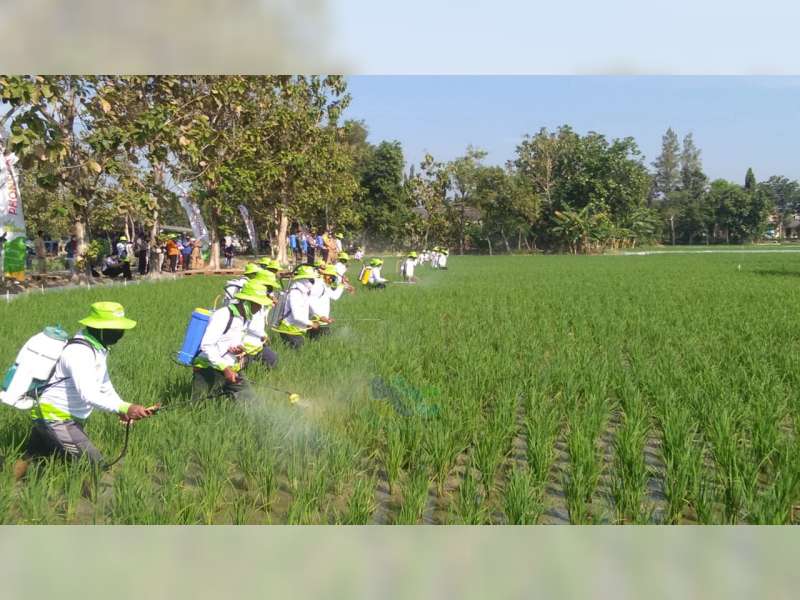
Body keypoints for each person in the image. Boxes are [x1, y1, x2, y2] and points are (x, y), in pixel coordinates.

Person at [15, 302, 155, 475]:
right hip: (56, 417)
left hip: (52, 414)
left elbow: (104, 385)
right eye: (115, 329)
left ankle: (10, 485)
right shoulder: (79, 352)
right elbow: (88, 394)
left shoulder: (98, 348)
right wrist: (126, 407)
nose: (120, 333)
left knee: (32, 457)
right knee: (93, 466)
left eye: (121, 329)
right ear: (98, 328)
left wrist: (121, 407)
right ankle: (90, 500)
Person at [192, 280, 272, 401]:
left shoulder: (244, 318)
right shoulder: (223, 315)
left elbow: (229, 340)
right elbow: (207, 345)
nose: (260, 307)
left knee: (251, 402)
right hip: (207, 368)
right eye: (258, 304)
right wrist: (225, 368)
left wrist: (237, 348)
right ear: (247, 302)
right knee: (197, 406)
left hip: (230, 368)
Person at [272, 265, 320, 350]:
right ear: (304, 279)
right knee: (298, 350)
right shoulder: (295, 293)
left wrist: (318, 317)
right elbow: (297, 316)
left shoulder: (304, 292)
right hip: (289, 329)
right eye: (311, 280)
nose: (313, 282)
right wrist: (311, 323)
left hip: (296, 328)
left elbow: (308, 308)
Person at [242, 270, 283, 368]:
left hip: (257, 342)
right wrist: (263, 335)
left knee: (272, 360)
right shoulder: (251, 301)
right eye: (268, 287)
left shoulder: (262, 299)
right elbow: (250, 324)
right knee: (245, 368)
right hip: (247, 343)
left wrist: (269, 303)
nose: (270, 289)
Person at [308, 263, 347, 339]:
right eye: (331, 276)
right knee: (322, 341)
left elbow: (334, 296)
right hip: (317, 320)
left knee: (322, 340)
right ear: (325, 275)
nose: (333, 279)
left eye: (334, 277)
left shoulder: (324, 285)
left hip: (322, 321)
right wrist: (319, 316)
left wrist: (342, 285)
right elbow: (309, 303)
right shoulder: (317, 286)